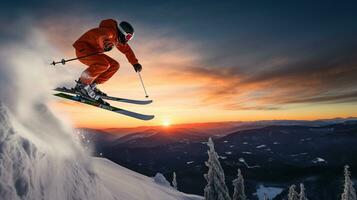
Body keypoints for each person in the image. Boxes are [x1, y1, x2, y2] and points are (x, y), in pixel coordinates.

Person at [72, 19, 142, 101]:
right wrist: (106, 43)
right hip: (83, 50)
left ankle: (91, 85)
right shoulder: (110, 32)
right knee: (103, 64)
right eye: (128, 37)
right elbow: (101, 36)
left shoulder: (117, 40)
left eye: (130, 38)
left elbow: (127, 51)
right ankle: (82, 85)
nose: (128, 40)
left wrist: (135, 63)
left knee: (114, 65)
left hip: (93, 52)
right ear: (122, 32)